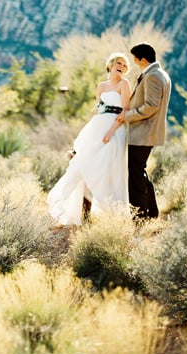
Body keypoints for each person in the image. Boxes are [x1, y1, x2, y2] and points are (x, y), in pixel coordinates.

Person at [47, 53, 131, 226]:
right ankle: (79, 211)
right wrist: (94, 130)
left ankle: (114, 213)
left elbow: (125, 111)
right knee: (84, 163)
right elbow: (98, 109)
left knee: (110, 167)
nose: (121, 66)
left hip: (115, 129)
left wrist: (111, 131)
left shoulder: (125, 84)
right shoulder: (101, 86)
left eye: (124, 65)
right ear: (110, 65)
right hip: (97, 127)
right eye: (118, 63)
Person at [116, 42, 171, 219]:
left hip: (141, 134)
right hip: (145, 134)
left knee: (135, 176)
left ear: (143, 59)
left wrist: (127, 116)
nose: (134, 63)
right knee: (140, 173)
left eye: (135, 60)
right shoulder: (159, 74)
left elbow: (150, 106)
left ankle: (140, 216)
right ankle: (151, 213)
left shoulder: (153, 76)